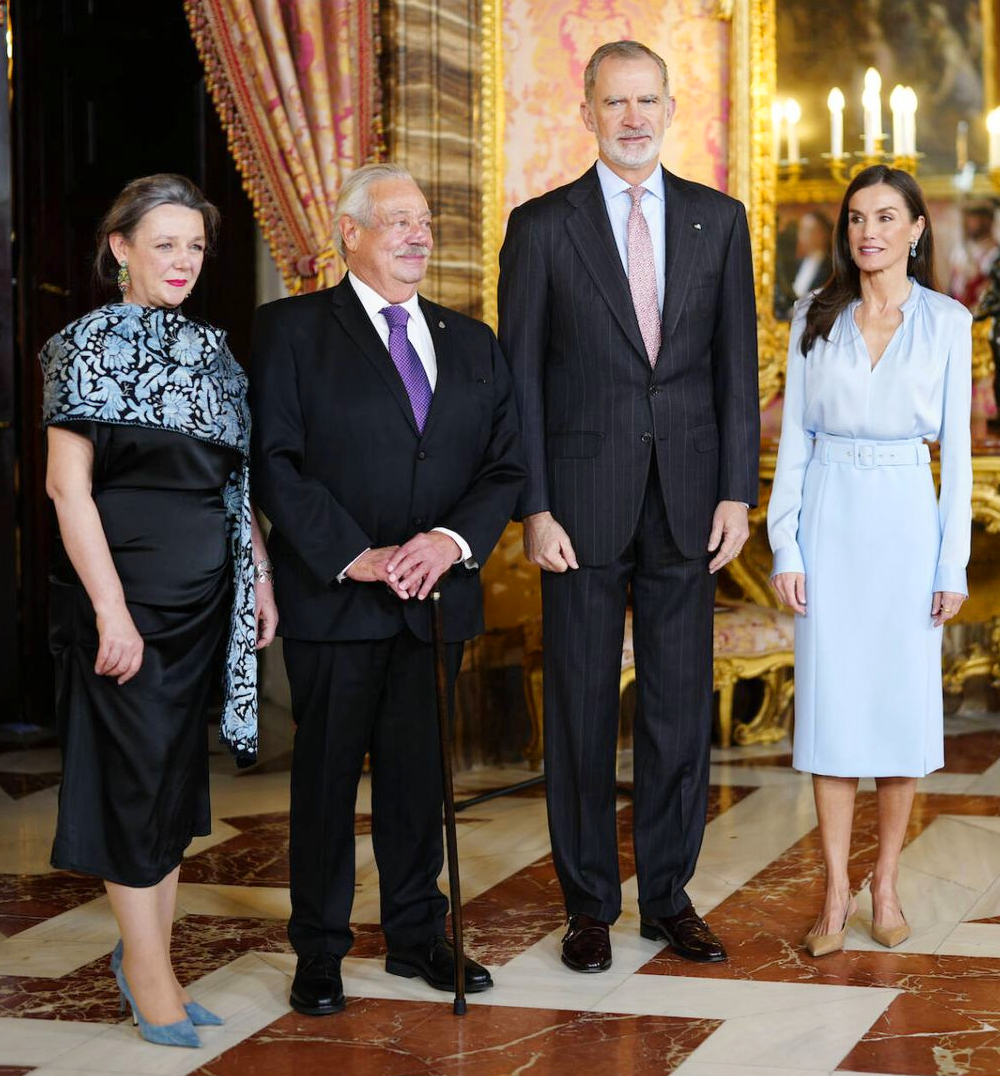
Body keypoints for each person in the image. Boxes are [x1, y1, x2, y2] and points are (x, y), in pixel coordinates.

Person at [498, 40, 759, 973]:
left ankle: (670, 897)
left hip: (691, 502)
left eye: (649, 100)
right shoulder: (541, 227)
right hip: (579, 503)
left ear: (671, 107)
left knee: (679, 710)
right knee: (577, 710)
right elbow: (519, 381)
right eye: (616, 103)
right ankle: (587, 907)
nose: (634, 117)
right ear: (588, 112)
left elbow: (736, 370)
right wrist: (534, 505)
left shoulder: (719, 222)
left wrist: (738, 490)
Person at [251, 163, 525, 1015]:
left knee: (417, 781)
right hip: (337, 600)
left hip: (434, 604)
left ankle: (416, 936)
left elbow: (504, 465)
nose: (418, 236)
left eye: (425, 222)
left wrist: (446, 543)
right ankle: (320, 952)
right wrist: (356, 555)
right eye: (399, 221)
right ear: (349, 232)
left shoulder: (472, 340)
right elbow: (275, 463)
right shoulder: (291, 330)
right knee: (326, 783)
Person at [41, 174, 277, 1046]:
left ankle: (153, 958)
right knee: (133, 783)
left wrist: (259, 573)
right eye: (165, 243)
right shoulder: (83, 345)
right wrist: (111, 611)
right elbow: (69, 493)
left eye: (195, 245)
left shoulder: (214, 352)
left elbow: (233, 481)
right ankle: (146, 970)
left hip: (205, 600)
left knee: (172, 784)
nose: (182, 260)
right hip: (128, 598)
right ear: (121, 249)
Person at [768, 165, 972, 957]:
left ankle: (883, 883)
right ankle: (832, 890)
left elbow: (954, 456)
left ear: (917, 229)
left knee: (895, 707)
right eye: (856, 218)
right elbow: (793, 441)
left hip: (905, 519)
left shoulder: (949, 323)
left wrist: (948, 565)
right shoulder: (813, 316)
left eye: (887, 217)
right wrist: (787, 542)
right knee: (831, 709)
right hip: (828, 515)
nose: (869, 232)